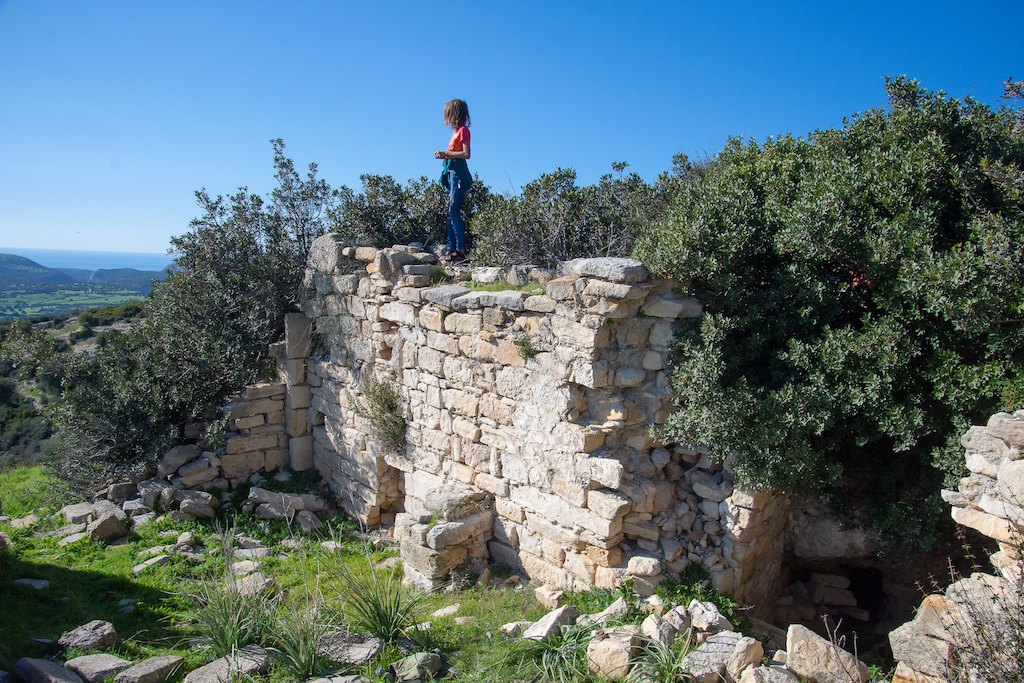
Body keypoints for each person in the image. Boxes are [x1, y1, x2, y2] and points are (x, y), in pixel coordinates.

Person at [434, 99, 472, 263]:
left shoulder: (463, 130)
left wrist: (446, 154)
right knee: (450, 211)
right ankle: (450, 249)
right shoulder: (456, 131)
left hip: (458, 174)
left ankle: (460, 251)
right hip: (451, 174)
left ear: (454, 114)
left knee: (453, 210)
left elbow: (466, 154)